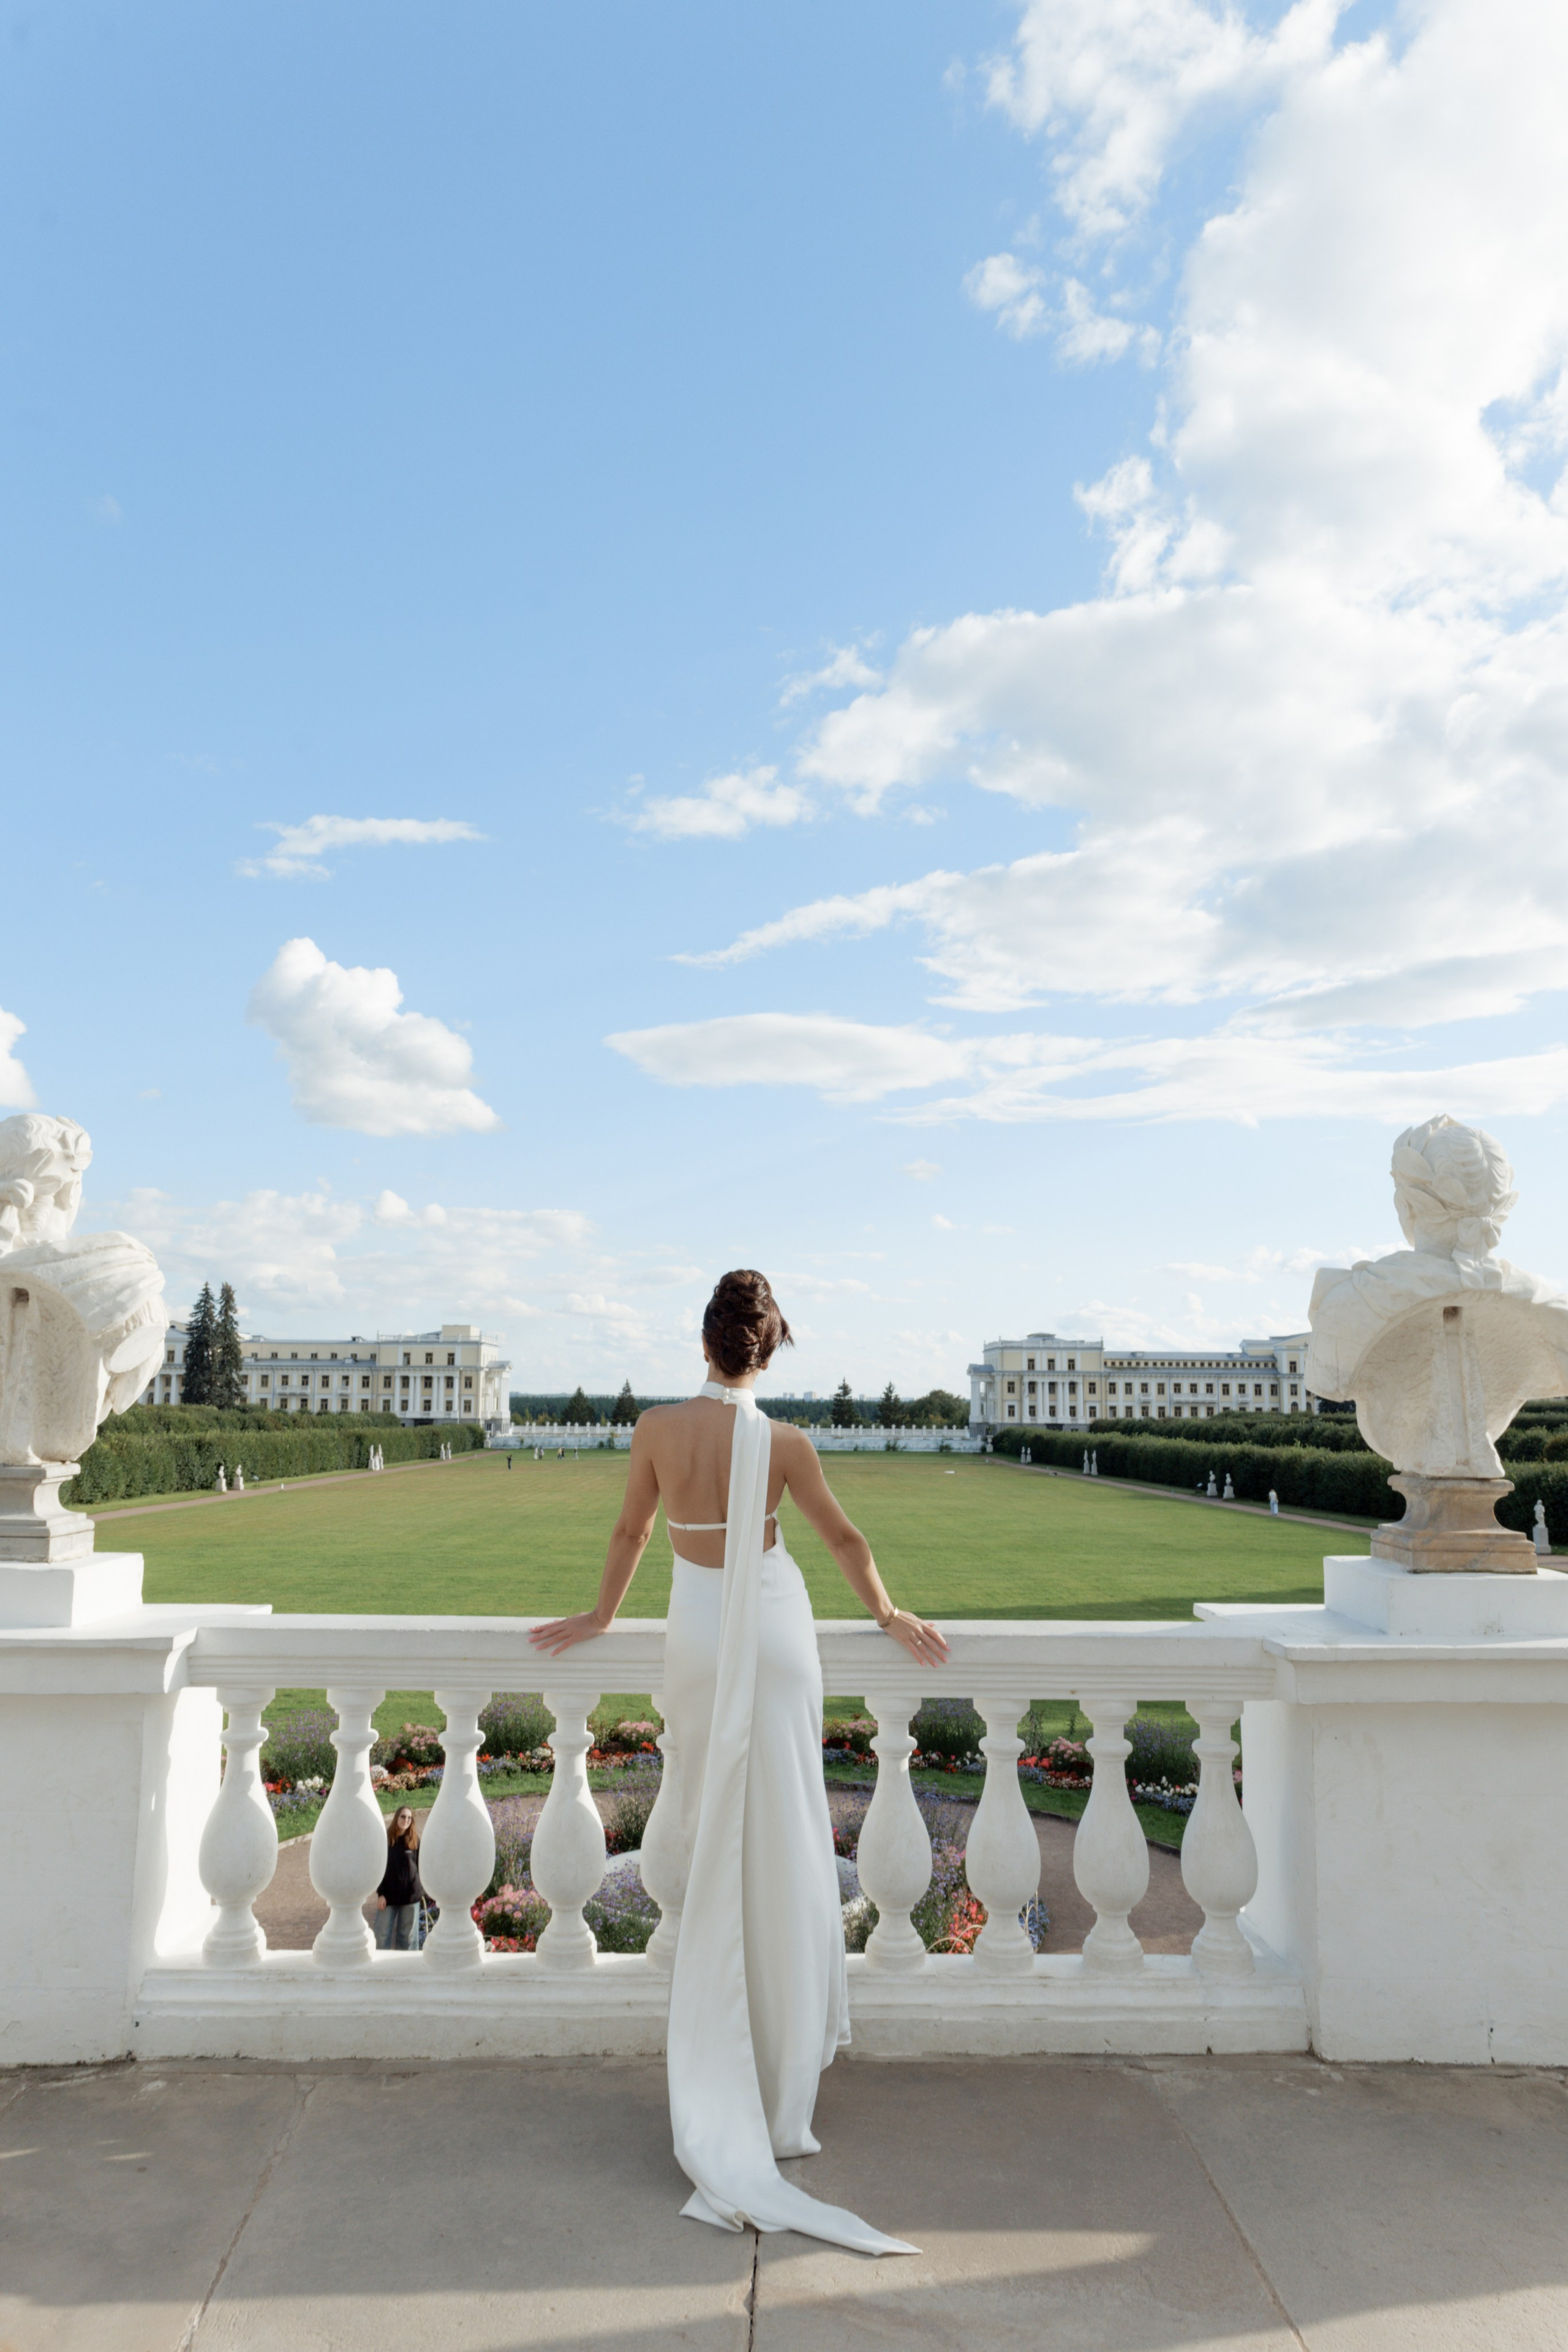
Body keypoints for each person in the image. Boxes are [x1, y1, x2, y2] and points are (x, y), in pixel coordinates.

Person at [530, 1268, 944, 2258]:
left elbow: (632, 1531)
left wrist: (597, 1617)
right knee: (790, 1840)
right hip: (771, 1626)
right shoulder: (787, 1442)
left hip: (701, 1631)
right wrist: (889, 1614)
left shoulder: (657, 1432)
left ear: (705, 1342)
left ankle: (730, 2057)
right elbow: (844, 1538)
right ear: (769, 1348)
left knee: (714, 1832)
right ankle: (779, 2078)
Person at [374, 1807, 424, 1949]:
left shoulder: (415, 1841)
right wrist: (381, 1894)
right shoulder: (386, 1840)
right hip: (388, 1896)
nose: (406, 1820)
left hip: (410, 1896)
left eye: (409, 1818)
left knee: (408, 1938)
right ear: (397, 1818)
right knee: (381, 1935)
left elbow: (421, 1866)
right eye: (403, 1817)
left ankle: (407, 1968)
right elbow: (379, 1868)